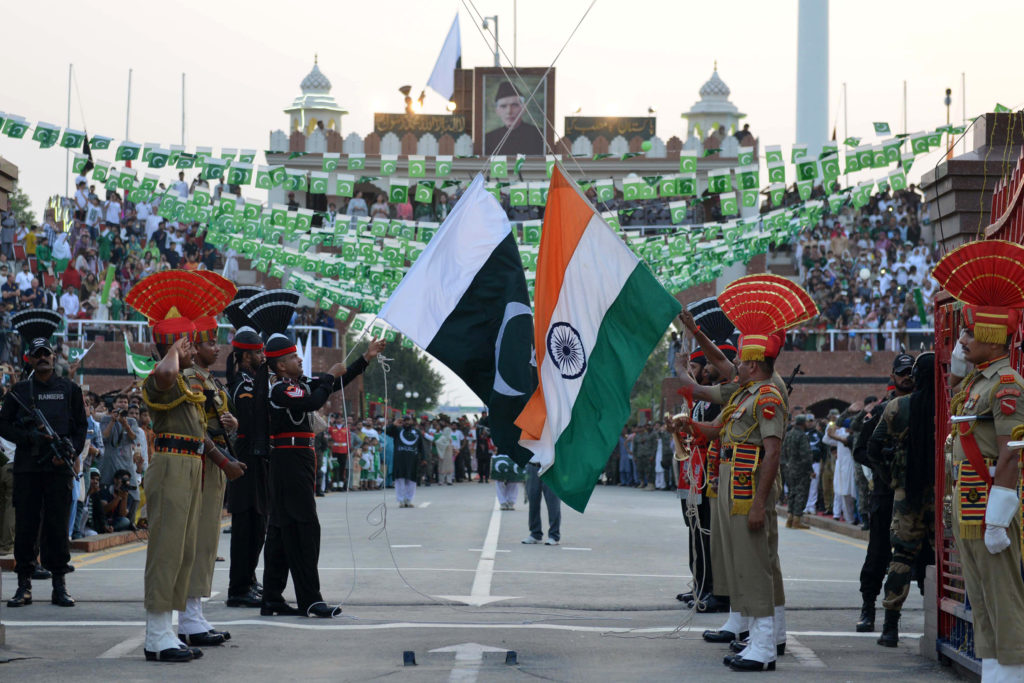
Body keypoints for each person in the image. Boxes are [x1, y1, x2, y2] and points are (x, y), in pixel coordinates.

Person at [126, 270, 243, 663]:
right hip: (172, 465)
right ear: (174, 345)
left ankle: (175, 628)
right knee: (166, 551)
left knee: (186, 551)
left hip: (191, 465)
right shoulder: (162, 377)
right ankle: (156, 635)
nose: (195, 349)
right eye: (189, 343)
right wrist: (174, 350)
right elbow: (164, 372)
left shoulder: (188, 382)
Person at [932, 241, 1024, 679]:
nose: (962, 339)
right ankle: (994, 673)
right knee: (982, 601)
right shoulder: (977, 382)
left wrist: (997, 518)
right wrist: (957, 362)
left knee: (1004, 600)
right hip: (968, 504)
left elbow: (1011, 452)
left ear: (990, 334)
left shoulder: (1007, 384)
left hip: (989, 506)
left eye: (968, 333)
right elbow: (957, 406)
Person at [261, 334, 384, 618]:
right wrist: (329, 375)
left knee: (281, 529)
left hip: (295, 459)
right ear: (280, 366)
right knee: (305, 528)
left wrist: (364, 359)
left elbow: (335, 383)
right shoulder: (281, 388)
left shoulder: (297, 385)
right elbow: (313, 402)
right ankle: (310, 600)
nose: (299, 359)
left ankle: (272, 597)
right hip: (289, 459)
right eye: (293, 357)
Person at [0, 311, 87, 610]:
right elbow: (3, 424)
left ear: (53, 356)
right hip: (27, 469)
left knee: (56, 527)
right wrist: (30, 438)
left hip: (58, 469)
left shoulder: (69, 390)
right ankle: (23, 585)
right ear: (30, 359)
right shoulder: (20, 392)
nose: (42, 359)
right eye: (37, 355)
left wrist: (71, 452)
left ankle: (59, 585)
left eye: (46, 354)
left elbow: (80, 428)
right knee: (25, 527)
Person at [177, 315, 239, 646]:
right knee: (197, 540)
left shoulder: (210, 380)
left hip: (213, 465)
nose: (217, 348)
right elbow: (197, 427)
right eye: (210, 343)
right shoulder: (191, 378)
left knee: (208, 542)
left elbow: (217, 420)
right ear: (195, 347)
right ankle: (188, 617)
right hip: (202, 463)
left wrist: (232, 423)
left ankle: (196, 613)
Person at [869, 352, 935, 647]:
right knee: (943, 560)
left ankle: (890, 627)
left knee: (902, 559)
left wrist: (891, 478)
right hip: (941, 495)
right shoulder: (949, 406)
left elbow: (874, 446)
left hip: (907, 494)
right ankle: (940, 624)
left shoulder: (897, 407)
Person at [852, 353, 915, 633]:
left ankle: (902, 616)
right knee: (877, 553)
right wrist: (884, 468)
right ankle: (868, 608)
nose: (906, 377)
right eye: (901, 372)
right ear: (893, 376)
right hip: (886, 493)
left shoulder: (924, 409)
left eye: (910, 372)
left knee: (916, 555)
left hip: (914, 493)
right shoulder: (880, 411)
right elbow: (861, 450)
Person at [226, 326, 269, 607]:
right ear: (246, 355)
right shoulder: (243, 382)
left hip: (255, 458)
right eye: (258, 352)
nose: (262, 355)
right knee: (246, 526)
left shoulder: (253, 378)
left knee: (257, 525)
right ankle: (238, 587)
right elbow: (250, 418)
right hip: (244, 459)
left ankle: (249, 579)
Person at [484, 81, 544, 155]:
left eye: (514, 105)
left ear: (524, 108)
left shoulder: (539, 135)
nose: (509, 111)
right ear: (497, 111)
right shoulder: (488, 139)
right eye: (503, 106)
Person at [780, 415, 813, 529]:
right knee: (801, 493)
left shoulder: (788, 434)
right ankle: (797, 519)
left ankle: (790, 518)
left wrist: (785, 466)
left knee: (791, 492)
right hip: (800, 469)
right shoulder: (802, 436)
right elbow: (806, 455)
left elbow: (782, 452)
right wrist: (810, 470)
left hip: (788, 468)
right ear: (803, 423)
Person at [387, 414, 424, 507]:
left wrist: (424, 458)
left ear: (412, 421)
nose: (407, 422)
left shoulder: (417, 432)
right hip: (400, 460)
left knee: (411, 481)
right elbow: (386, 431)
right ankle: (401, 501)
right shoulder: (397, 430)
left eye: (408, 420)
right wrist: (394, 424)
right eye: (405, 420)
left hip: (413, 460)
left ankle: (409, 500)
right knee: (400, 480)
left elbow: (421, 447)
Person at [522, 460, 561, 545]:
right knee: (533, 500)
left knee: (553, 503)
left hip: (550, 466)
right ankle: (535, 533)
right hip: (532, 465)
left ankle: (554, 535)